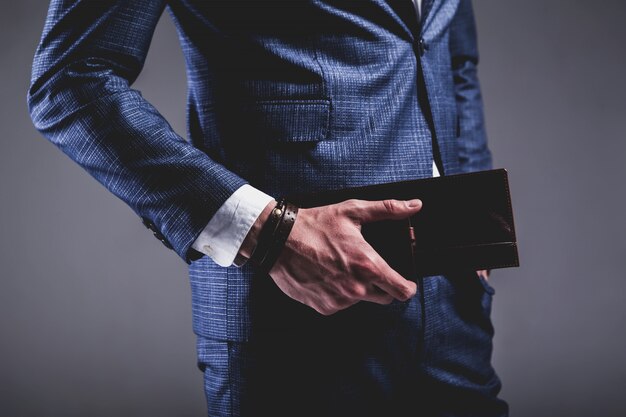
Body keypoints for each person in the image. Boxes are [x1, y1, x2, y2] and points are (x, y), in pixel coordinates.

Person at [28, 0, 508, 416]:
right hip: (292, 316)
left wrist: (474, 224)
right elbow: (69, 79)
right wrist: (268, 234)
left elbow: (449, 56)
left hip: (453, 306)